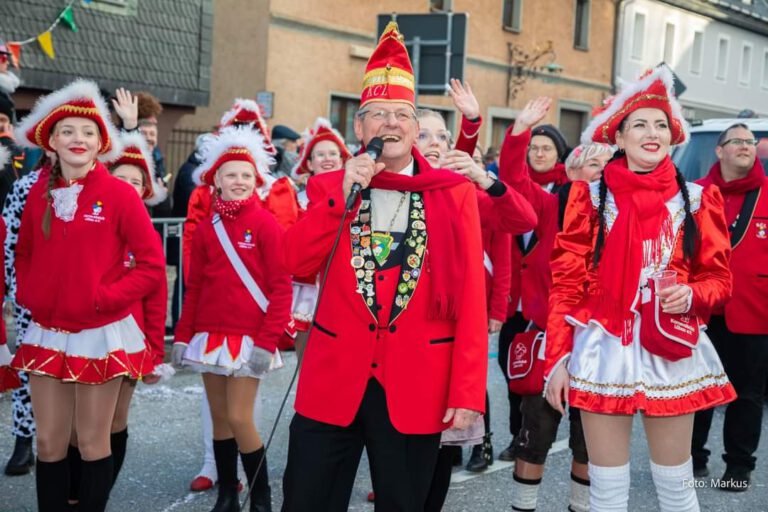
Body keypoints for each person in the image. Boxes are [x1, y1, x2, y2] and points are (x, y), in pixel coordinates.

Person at [281, 21, 489, 512]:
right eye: (378, 115)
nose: (390, 124)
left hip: (417, 383)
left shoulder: (453, 194)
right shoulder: (330, 187)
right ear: (359, 127)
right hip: (333, 381)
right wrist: (340, 196)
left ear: (416, 128)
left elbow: (472, 303)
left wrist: (466, 391)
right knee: (306, 500)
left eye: (402, 115)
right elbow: (296, 261)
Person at [544, 65, 736, 512]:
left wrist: (691, 295)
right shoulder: (588, 199)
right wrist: (556, 357)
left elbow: (720, 279)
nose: (652, 133)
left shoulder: (697, 198)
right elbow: (566, 282)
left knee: (676, 488)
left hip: (670, 345)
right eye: (640, 125)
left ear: (672, 136)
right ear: (621, 138)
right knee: (607, 492)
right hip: (602, 347)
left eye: (661, 125)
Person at [9, 79, 165, 512]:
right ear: (52, 141)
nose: (78, 139)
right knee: (48, 443)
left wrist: (103, 299)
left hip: (101, 332)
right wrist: (32, 295)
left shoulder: (119, 194)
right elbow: (22, 255)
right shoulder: (38, 196)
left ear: (101, 143)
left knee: (94, 441)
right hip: (47, 332)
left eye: (88, 132)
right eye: (68, 131)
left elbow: (151, 265)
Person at [498, 97, 613, 512]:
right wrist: (520, 130)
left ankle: (580, 507)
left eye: (609, 166)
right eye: (597, 166)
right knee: (536, 435)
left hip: (600, 345)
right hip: (551, 341)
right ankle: (522, 507)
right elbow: (512, 178)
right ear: (573, 172)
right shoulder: (550, 206)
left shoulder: (619, 217)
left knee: (590, 440)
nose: (606, 173)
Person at [172, 126, 293, 512]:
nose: (239, 181)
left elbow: (280, 289)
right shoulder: (208, 229)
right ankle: (227, 496)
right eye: (231, 175)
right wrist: (181, 336)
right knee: (221, 420)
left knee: (241, 418)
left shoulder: (265, 225)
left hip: (249, 339)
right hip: (210, 336)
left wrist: (267, 341)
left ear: (255, 181)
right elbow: (195, 289)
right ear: (215, 181)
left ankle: (261, 497)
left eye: (246, 175)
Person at [692, 123, 768, 490]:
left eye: (750, 142)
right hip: (701, 312)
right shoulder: (696, 194)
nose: (745, 146)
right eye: (736, 141)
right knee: (696, 390)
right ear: (719, 151)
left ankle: (739, 467)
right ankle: (691, 459)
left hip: (753, 311)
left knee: (748, 395)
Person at [495, 108, 571, 464]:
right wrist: (519, 131)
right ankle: (518, 437)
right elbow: (511, 174)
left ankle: (541, 439)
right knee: (515, 374)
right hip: (515, 301)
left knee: (540, 377)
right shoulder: (517, 186)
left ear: (560, 154)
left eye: (546, 148)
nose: (538, 154)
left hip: (547, 302)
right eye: (534, 147)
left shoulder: (567, 194)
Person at [2, 153, 50, 477]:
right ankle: (24, 438)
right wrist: (7, 290)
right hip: (29, 294)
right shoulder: (26, 185)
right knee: (27, 367)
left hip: (79, 297)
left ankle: (62, 440)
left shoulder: (99, 188)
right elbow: (8, 242)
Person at [289, 118, 352, 359]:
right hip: (309, 285)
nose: (327, 159)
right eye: (320, 155)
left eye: (333, 153)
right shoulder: (297, 200)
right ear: (310, 164)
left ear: (342, 160)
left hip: (345, 282)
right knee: (307, 357)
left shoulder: (357, 196)